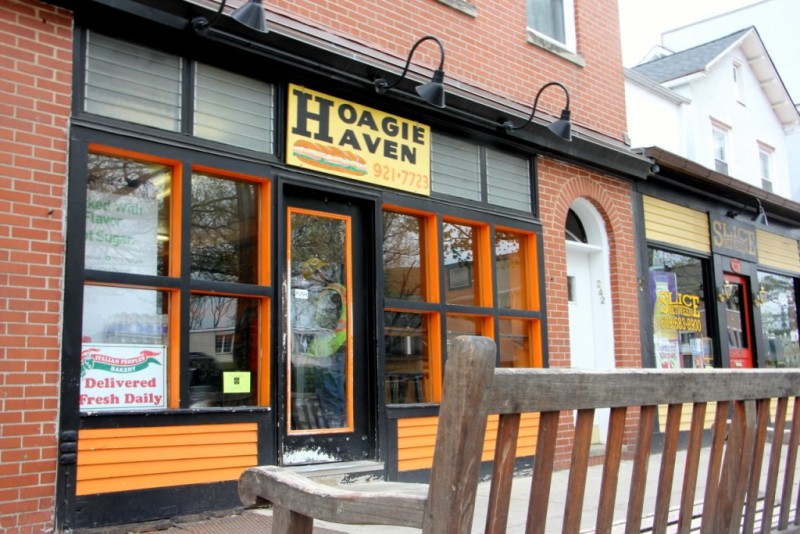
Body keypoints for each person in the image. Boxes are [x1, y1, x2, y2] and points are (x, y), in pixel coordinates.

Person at [297, 257, 347, 428]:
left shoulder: (330, 293)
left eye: (311, 276)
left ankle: (335, 426)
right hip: (333, 346)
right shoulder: (336, 290)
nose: (310, 281)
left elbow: (326, 323)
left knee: (329, 390)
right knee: (331, 389)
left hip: (331, 347)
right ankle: (336, 423)